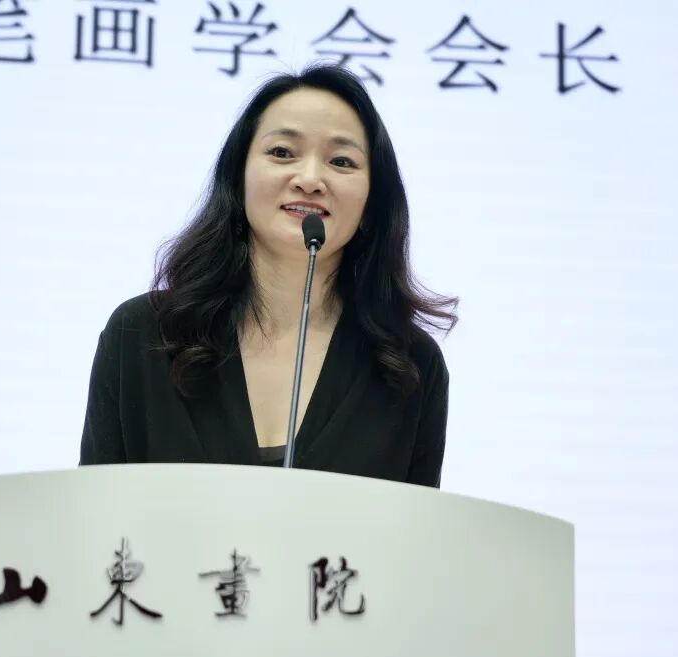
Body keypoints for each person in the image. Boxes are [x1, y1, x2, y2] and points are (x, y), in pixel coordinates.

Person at [78, 64, 457, 487]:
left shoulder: (410, 367)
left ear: (373, 201)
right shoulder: (143, 334)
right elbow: (95, 513)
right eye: (282, 153)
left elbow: (415, 527)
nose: (310, 180)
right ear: (238, 177)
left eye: (341, 161)